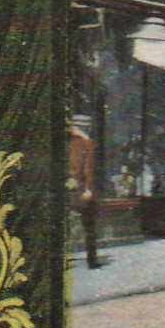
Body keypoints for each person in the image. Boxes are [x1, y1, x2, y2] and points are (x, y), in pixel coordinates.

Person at [68, 113, 102, 268]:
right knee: (89, 225)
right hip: (80, 187)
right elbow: (89, 169)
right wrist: (88, 188)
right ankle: (92, 260)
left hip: (64, 187)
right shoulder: (86, 142)